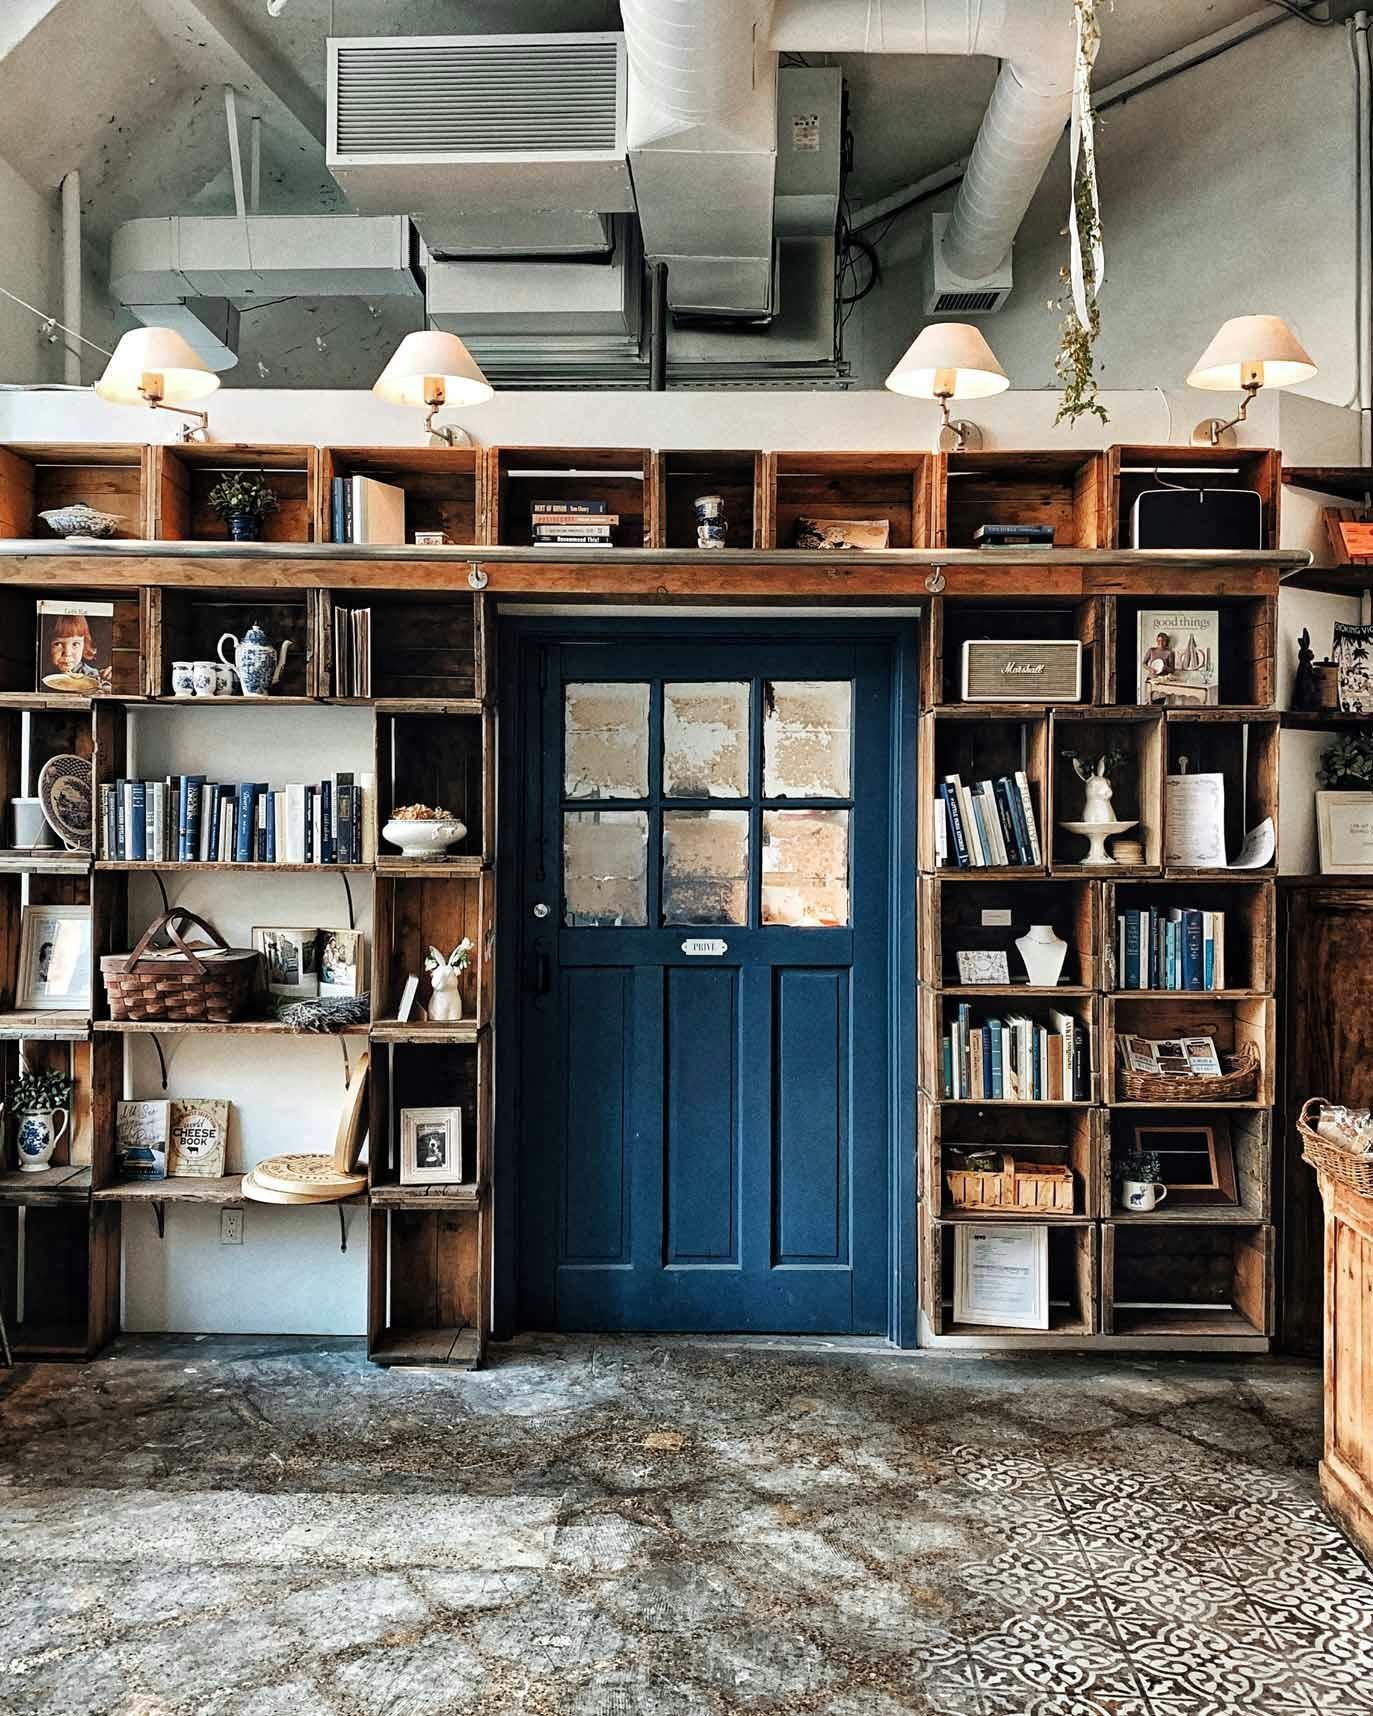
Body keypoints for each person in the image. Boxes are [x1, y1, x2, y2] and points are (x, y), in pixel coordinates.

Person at [44, 613, 110, 689]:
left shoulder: (91, 674)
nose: (68, 653)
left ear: (84, 645)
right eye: (58, 644)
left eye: (75, 644)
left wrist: (105, 681)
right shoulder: (41, 672)